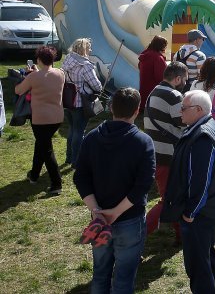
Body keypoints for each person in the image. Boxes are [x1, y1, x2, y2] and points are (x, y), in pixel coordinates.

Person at [73, 88, 155, 294]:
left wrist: (96, 211)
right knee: (124, 278)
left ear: (111, 108)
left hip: (99, 220)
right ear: (137, 111)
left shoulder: (91, 138)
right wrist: (116, 213)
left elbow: (80, 176)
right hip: (129, 220)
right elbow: (143, 185)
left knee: (100, 273)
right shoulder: (143, 142)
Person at [163, 90, 215, 293]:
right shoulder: (204, 128)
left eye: (184, 108)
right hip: (205, 210)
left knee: (198, 266)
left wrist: (190, 212)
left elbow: (200, 179)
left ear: (199, 110)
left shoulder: (202, 136)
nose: (180, 112)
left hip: (199, 213)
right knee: (206, 257)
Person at [144, 62, 189, 240]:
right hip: (169, 155)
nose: (186, 82)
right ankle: (139, 234)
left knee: (174, 197)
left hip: (158, 152)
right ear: (177, 79)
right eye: (184, 79)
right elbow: (183, 121)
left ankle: (181, 234)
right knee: (169, 199)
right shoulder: (173, 95)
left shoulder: (154, 91)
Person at [17, 46, 65, 194]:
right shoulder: (61, 73)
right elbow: (46, 77)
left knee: (46, 149)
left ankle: (56, 184)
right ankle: (34, 175)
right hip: (57, 118)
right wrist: (36, 73)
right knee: (41, 145)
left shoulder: (33, 77)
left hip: (40, 119)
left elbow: (18, 90)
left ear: (38, 59)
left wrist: (26, 75)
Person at [62, 38, 104, 167]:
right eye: (89, 48)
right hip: (81, 102)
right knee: (79, 131)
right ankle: (76, 160)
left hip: (67, 100)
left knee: (72, 129)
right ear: (84, 49)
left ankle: (69, 157)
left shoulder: (67, 60)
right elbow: (96, 86)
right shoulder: (85, 65)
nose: (90, 50)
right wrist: (99, 87)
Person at [191, 57, 215, 133]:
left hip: (194, 119)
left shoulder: (195, 83)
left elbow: (190, 100)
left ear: (203, 69)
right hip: (210, 122)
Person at [138, 35, 168, 113]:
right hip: (153, 88)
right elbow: (160, 76)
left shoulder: (145, 54)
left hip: (144, 85)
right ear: (161, 46)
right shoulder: (157, 57)